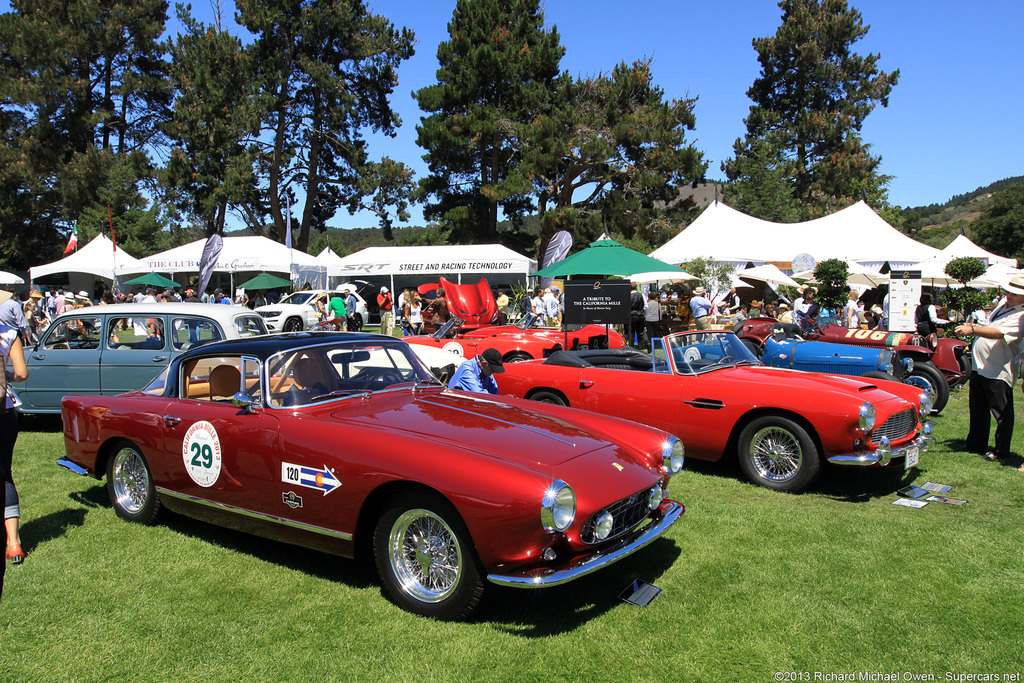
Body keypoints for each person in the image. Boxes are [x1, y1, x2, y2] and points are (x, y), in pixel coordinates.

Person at [955, 275, 1024, 463]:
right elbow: (992, 325)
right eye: (1008, 292)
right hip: (981, 366)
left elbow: (998, 333)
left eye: (1015, 294)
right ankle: (975, 443)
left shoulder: (1021, 316)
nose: (1009, 296)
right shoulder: (1004, 306)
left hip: (998, 369)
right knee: (978, 408)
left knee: (1001, 412)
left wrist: (973, 329)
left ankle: (1001, 450)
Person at [2, 320, 28, 566]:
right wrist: (6, 376)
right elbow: (21, 373)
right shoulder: (8, 333)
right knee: (5, 474)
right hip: (4, 410)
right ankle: (14, 542)